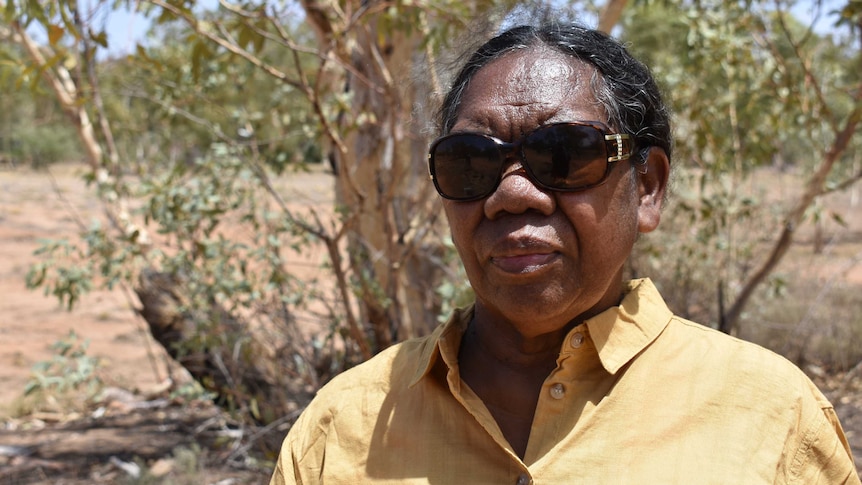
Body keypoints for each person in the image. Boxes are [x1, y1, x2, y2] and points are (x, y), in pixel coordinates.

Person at [270, 22, 860, 484]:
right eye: (471, 162)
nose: (511, 195)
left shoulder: (772, 418)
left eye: (565, 154)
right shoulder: (345, 424)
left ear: (648, 188)